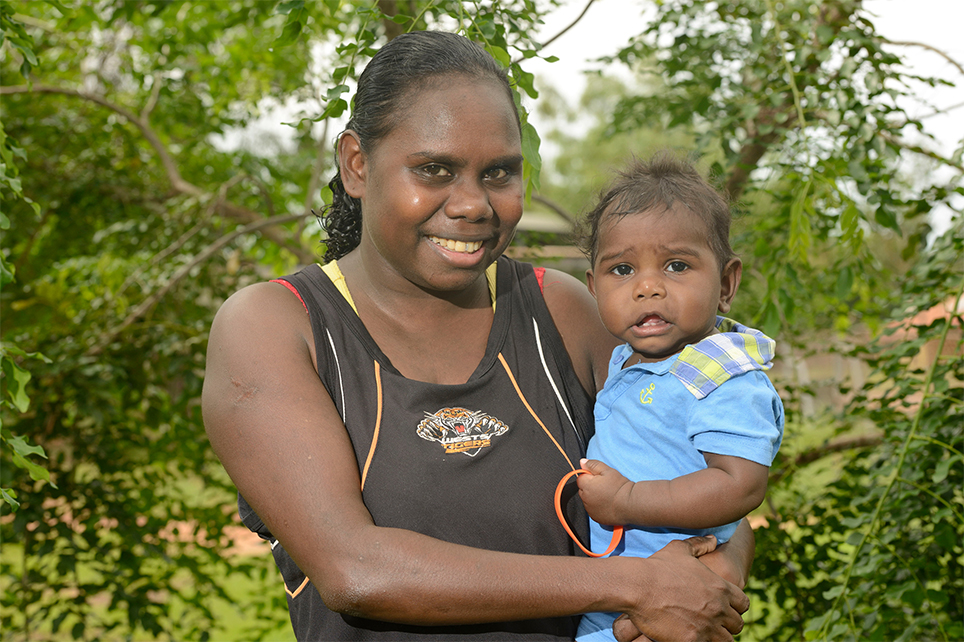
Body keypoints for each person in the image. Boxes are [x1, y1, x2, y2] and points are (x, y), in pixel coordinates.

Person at [202, 31, 753, 642]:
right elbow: (355, 570)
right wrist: (634, 586)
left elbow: (697, 481)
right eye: (434, 170)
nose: (472, 204)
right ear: (357, 164)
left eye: (498, 173)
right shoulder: (280, 325)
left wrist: (706, 591)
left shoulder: (558, 311)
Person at [569, 154, 785, 642]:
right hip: (616, 589)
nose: (648, 287)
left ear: (726, 284)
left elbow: (740, 485)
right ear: (593, 289)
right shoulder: (628, 360)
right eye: (622, 269)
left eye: (677, 265)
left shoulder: (722, 375)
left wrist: (627, 499)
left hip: (675, 599)